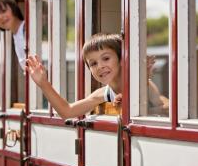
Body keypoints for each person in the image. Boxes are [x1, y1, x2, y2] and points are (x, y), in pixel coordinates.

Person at [26, 33, 168, 120]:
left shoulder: (143, 83)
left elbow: (165, 108)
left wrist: (139, 89)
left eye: (106, 59)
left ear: (121, 60)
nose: (99, 66)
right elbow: (67, 112)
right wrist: (43, 84)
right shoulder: (103, 94)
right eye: (93, 63)